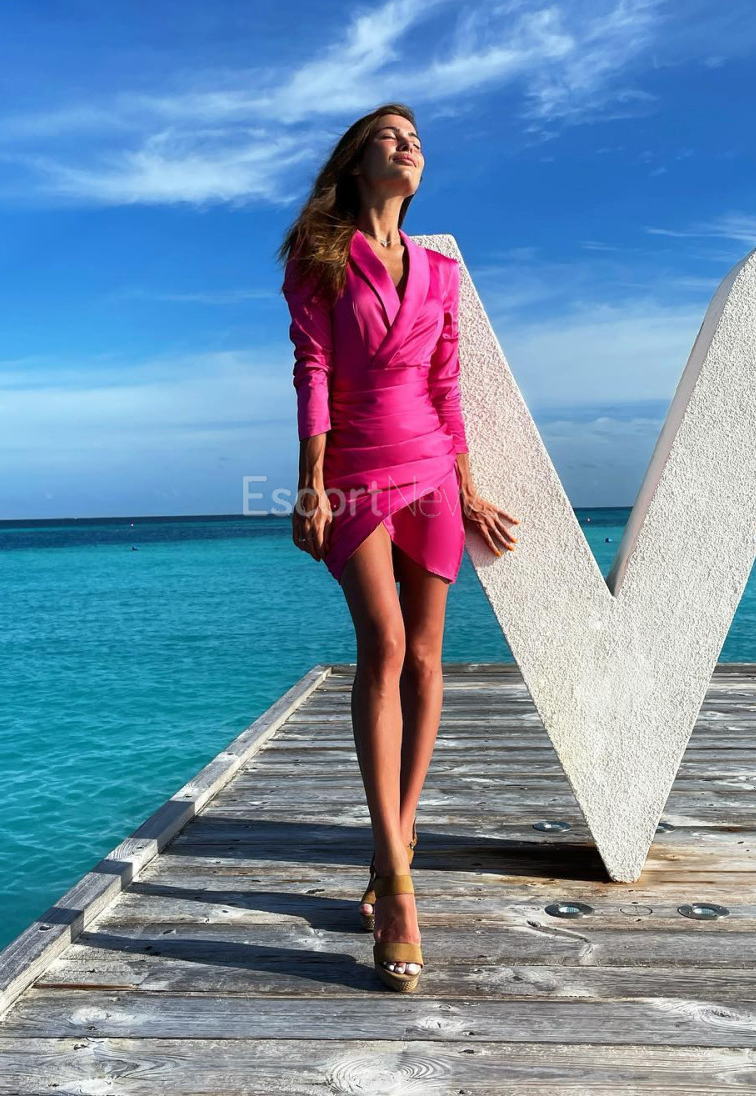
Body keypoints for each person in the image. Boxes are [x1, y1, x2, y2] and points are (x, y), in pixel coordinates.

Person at [278, 104, 517, 993]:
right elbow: (312, 370)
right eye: (391, 136)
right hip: (353, 468)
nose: (409, 145)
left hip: (432, 471)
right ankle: (402, 888)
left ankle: (394, 848)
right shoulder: (320, 256)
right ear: (357, 160)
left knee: (425, 657)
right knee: (380, 645)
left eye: (415, 138)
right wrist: (310, 479)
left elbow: (448, 385)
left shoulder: (441, 271)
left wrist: (469, 485)